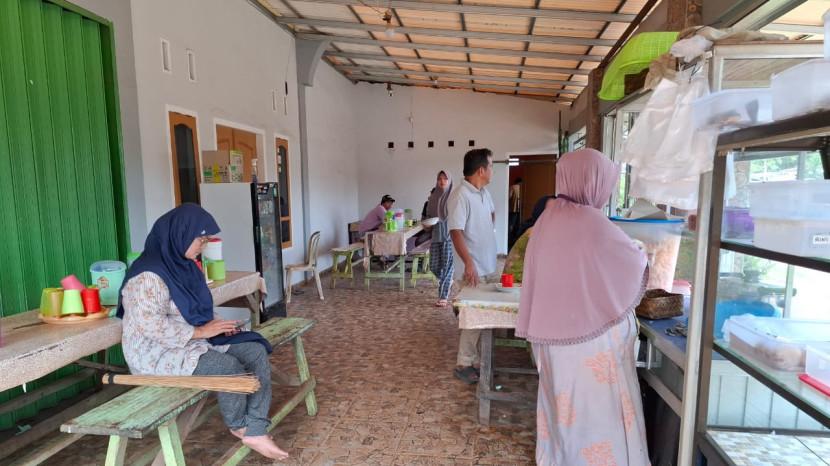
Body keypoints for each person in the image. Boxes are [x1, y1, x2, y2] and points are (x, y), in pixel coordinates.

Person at [117, 204, 289, 461]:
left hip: (192, 340)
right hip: (157, 353)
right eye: (200, 239)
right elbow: (150, 325)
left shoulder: (185, 265)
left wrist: (218, 325)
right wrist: (200, 331)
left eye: (206, 240)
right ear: (180, 235)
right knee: (228, 367)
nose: (204, 245)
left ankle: (256, 428)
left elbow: (198, 307)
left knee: (254, 350)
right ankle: (239, 425)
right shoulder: (147, 276)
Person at [516, 149, 649, 465]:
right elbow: (632, 262)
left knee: (562, 416)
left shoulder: (548, 219)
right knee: (596, 419)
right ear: (593, 181)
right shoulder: (591, 221)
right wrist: (642, 250)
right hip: (587, 343)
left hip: (551, 341)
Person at [447, 149, 497, 384]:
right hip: (473, 268)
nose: (493, 170)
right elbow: (455, 232)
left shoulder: (484, 193)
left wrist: (485, 231)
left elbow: (492, 213)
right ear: (481, 170)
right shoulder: (461, 196)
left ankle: (474, 359)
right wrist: (468, 262)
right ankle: (464, 363)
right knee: (473, 317)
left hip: (487, 265)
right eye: (491, 166)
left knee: (482, 315)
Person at [424, 170, 454, 307]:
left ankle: (443, 295)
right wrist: (427, 224)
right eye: (439, 179)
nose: (442, 181)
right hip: (436, 235)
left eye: (445, 178)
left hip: (449, 236)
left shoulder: (453, 197)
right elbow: (427, 216)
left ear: (449, 180)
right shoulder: (433, 198)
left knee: (447, 266)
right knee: (434, 266)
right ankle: (448, 279)